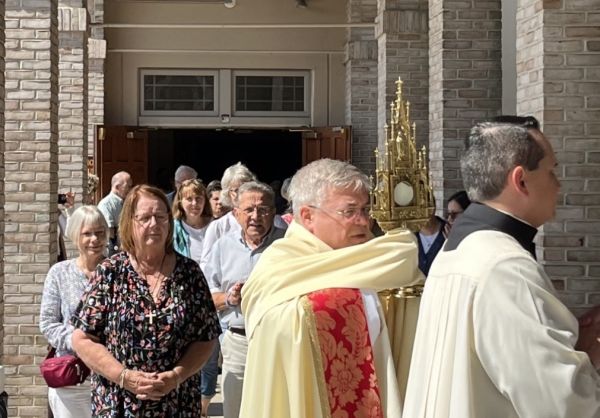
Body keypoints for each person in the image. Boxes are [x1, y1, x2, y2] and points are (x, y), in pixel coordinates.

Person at [404, 117, 600, 418]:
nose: (558, 186)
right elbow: (562, 405)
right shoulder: (506, 267)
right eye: (551, 172)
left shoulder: (458, 246)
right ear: (520, 180)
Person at [239, 158, 422, 418]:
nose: (363, 221)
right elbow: (276, 331)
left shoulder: (376, 256)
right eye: (349, 212)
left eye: (365, 209)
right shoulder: (280, 262)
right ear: (308, 216)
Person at [71, 185, 221, 417]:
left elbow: (206, 337)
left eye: (161, 217)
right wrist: (124, 376)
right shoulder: (110, 272)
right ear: (129, 223)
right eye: (145, 218)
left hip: (177, 401)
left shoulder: (190, 273)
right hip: (119, 400)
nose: (154, 224)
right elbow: (82, 338)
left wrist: (177, 375)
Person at [203, 181, 286, 418]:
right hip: (238, 342)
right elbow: (206, 296)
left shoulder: (287, 245)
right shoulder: (222, 247)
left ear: (273, 212)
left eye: (263, 209)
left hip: (278, 341)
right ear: (236, 213)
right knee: (235, 411)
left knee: (276, 409)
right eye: (248, 210)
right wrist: (230, 298)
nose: (255, 216)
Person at [40, 206, 109, 418]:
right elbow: (48, 323)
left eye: (99, 232)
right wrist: (80, 342)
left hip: (110, 375)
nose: (94, 239)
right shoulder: (59, 273)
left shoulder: (117, 271)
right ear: (75, 235)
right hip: (72, 377)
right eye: (87, 233)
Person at [172, 179, 212, 263]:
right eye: (189, 199)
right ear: (180, 202)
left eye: (198, 198)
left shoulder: (215, 225)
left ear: (205, 201)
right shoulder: (173, 229)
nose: (194, 203)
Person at [97, 171, 133, 256]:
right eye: (128, 187)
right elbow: (110, 233)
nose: (131, 190)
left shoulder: (126, 202)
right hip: (114, 252)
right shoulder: (106, 204)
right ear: (117, 187)